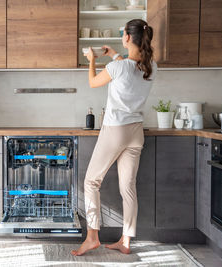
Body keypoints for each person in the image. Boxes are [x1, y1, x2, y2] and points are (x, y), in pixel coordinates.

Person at [71, 19, 157, 256]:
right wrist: (115, 55)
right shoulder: (151, 67)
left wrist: (93, 61)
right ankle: (126, 241)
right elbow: (127, 70)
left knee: (91, 182)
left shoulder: (118, 68)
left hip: (115, 130)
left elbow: (92, 82)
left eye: (123, 34)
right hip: (136, 132)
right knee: (128, 188)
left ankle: (92, 237)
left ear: (128, 37)